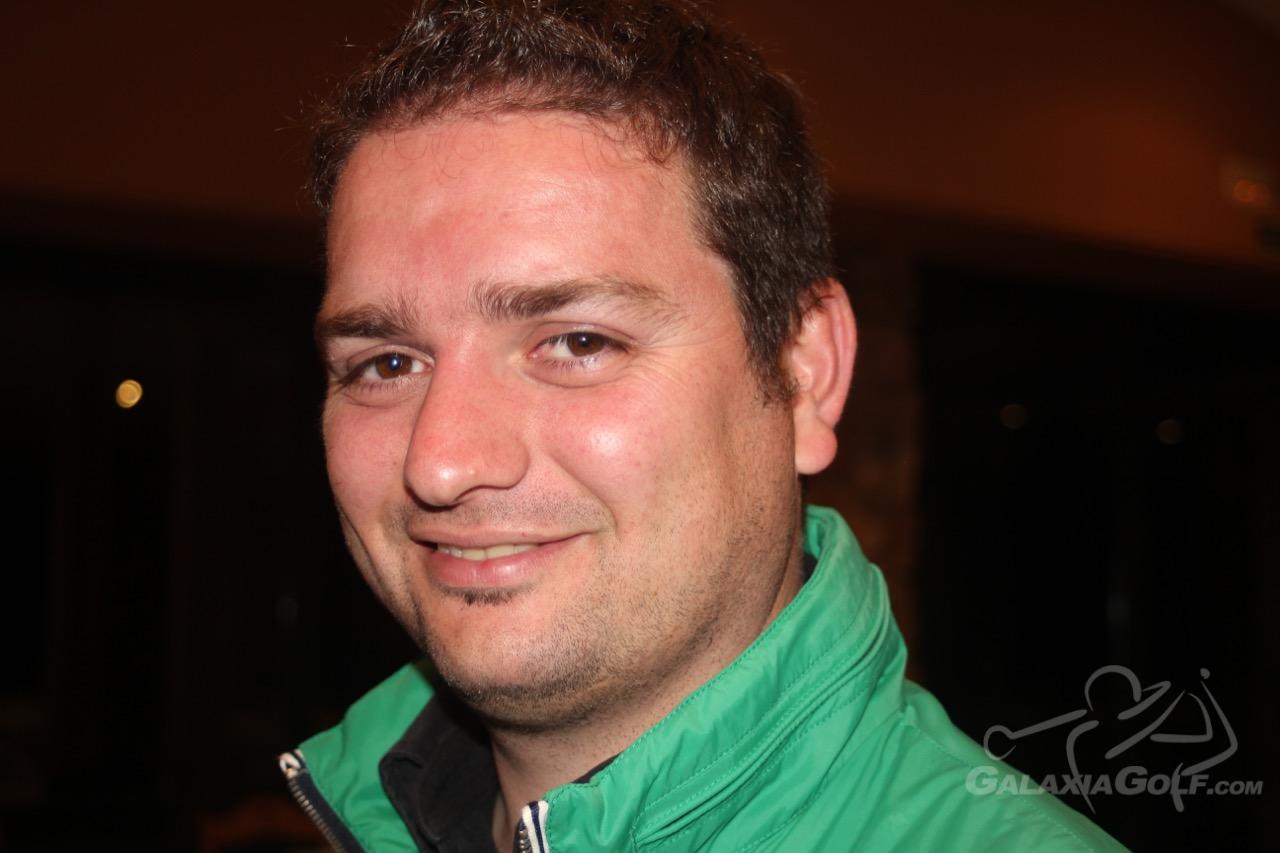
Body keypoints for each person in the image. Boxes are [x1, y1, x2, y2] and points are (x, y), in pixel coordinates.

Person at [280, 1, 1127, 850]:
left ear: (804, 372)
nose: (440, 461)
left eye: (578, 342)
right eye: (386, 363)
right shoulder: (362, 812)